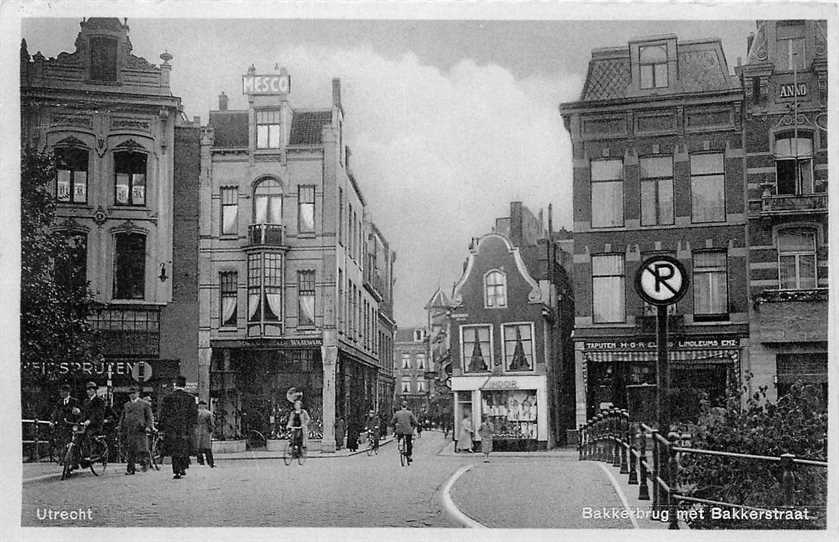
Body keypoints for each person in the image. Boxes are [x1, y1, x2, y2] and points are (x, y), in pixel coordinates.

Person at [159, 376, 198, 480]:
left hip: (171, 428)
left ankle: (176, 471)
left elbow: (163, 414)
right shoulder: (190, 398)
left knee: (174, 450)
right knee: (184, 449)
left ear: (175, 385)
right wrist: (192, 427)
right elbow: (194, 414)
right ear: (184, 385)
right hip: (185, 428)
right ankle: (183, 467)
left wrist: (162, 427)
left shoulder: (168, 398)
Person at [119, 386, 153, 474]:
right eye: (130, 394)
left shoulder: (144, 404)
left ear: (138, 393)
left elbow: (149, 417)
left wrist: (148, 426)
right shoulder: (126, 405)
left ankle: (145, 463)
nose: (132, 395)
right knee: (130, 449)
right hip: (130, 429)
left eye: (134, 393)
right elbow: (123, 417)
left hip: (140, 429)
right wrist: (120, 426)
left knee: (142, 448)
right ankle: (131, 469)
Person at [49, 384, 80, 450]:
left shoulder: (74, 401)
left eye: (62, 391)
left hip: (71, 426)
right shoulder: (59, 402)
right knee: (60, 444)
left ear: (67, 392)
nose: (61, 393)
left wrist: (78, 413)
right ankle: (62, 458)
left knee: (71, 445)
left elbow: (79, 414)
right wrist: (52, 421)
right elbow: (55, 413)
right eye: (60, 392)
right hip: (61, 426)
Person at [194, 400, 215, 468]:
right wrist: (211, 430)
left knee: (198, 448)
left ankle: (201, 462)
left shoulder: (195, 413)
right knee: (207, 448)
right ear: (205, 405)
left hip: (197, 431)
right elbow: (211, 424)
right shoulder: (208, 413)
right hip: (205, 431)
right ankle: (210, 463)